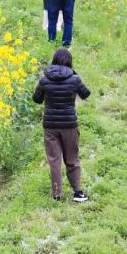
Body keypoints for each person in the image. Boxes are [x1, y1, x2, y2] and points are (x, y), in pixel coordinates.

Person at [33, 48, 91, 203]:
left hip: (50, 125)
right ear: (69, 61)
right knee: (72, 159)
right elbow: (86, 94)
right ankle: (78, 193)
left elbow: (36, 99)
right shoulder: (74, 78)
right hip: (69, 124)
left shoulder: (45, 79)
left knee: (54, 160)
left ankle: (57, 194)